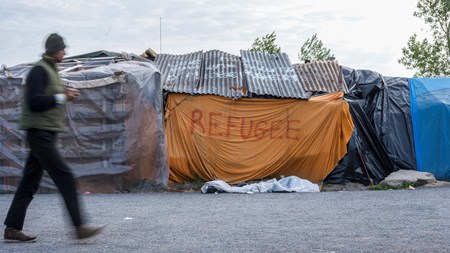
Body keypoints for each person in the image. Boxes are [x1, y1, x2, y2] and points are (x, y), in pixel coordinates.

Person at [3, 33, 106, 243]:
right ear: (54, 50)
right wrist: (62, 96)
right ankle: (79, 227)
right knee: (65, 176)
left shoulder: (50, 71)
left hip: (45, 134)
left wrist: (63, 93)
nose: (65, 52)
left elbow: (47, 97)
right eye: (62, 49)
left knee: (29, 184)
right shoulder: (39, 71)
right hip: (39, 134)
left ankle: (12, 228)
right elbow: (34, 102)